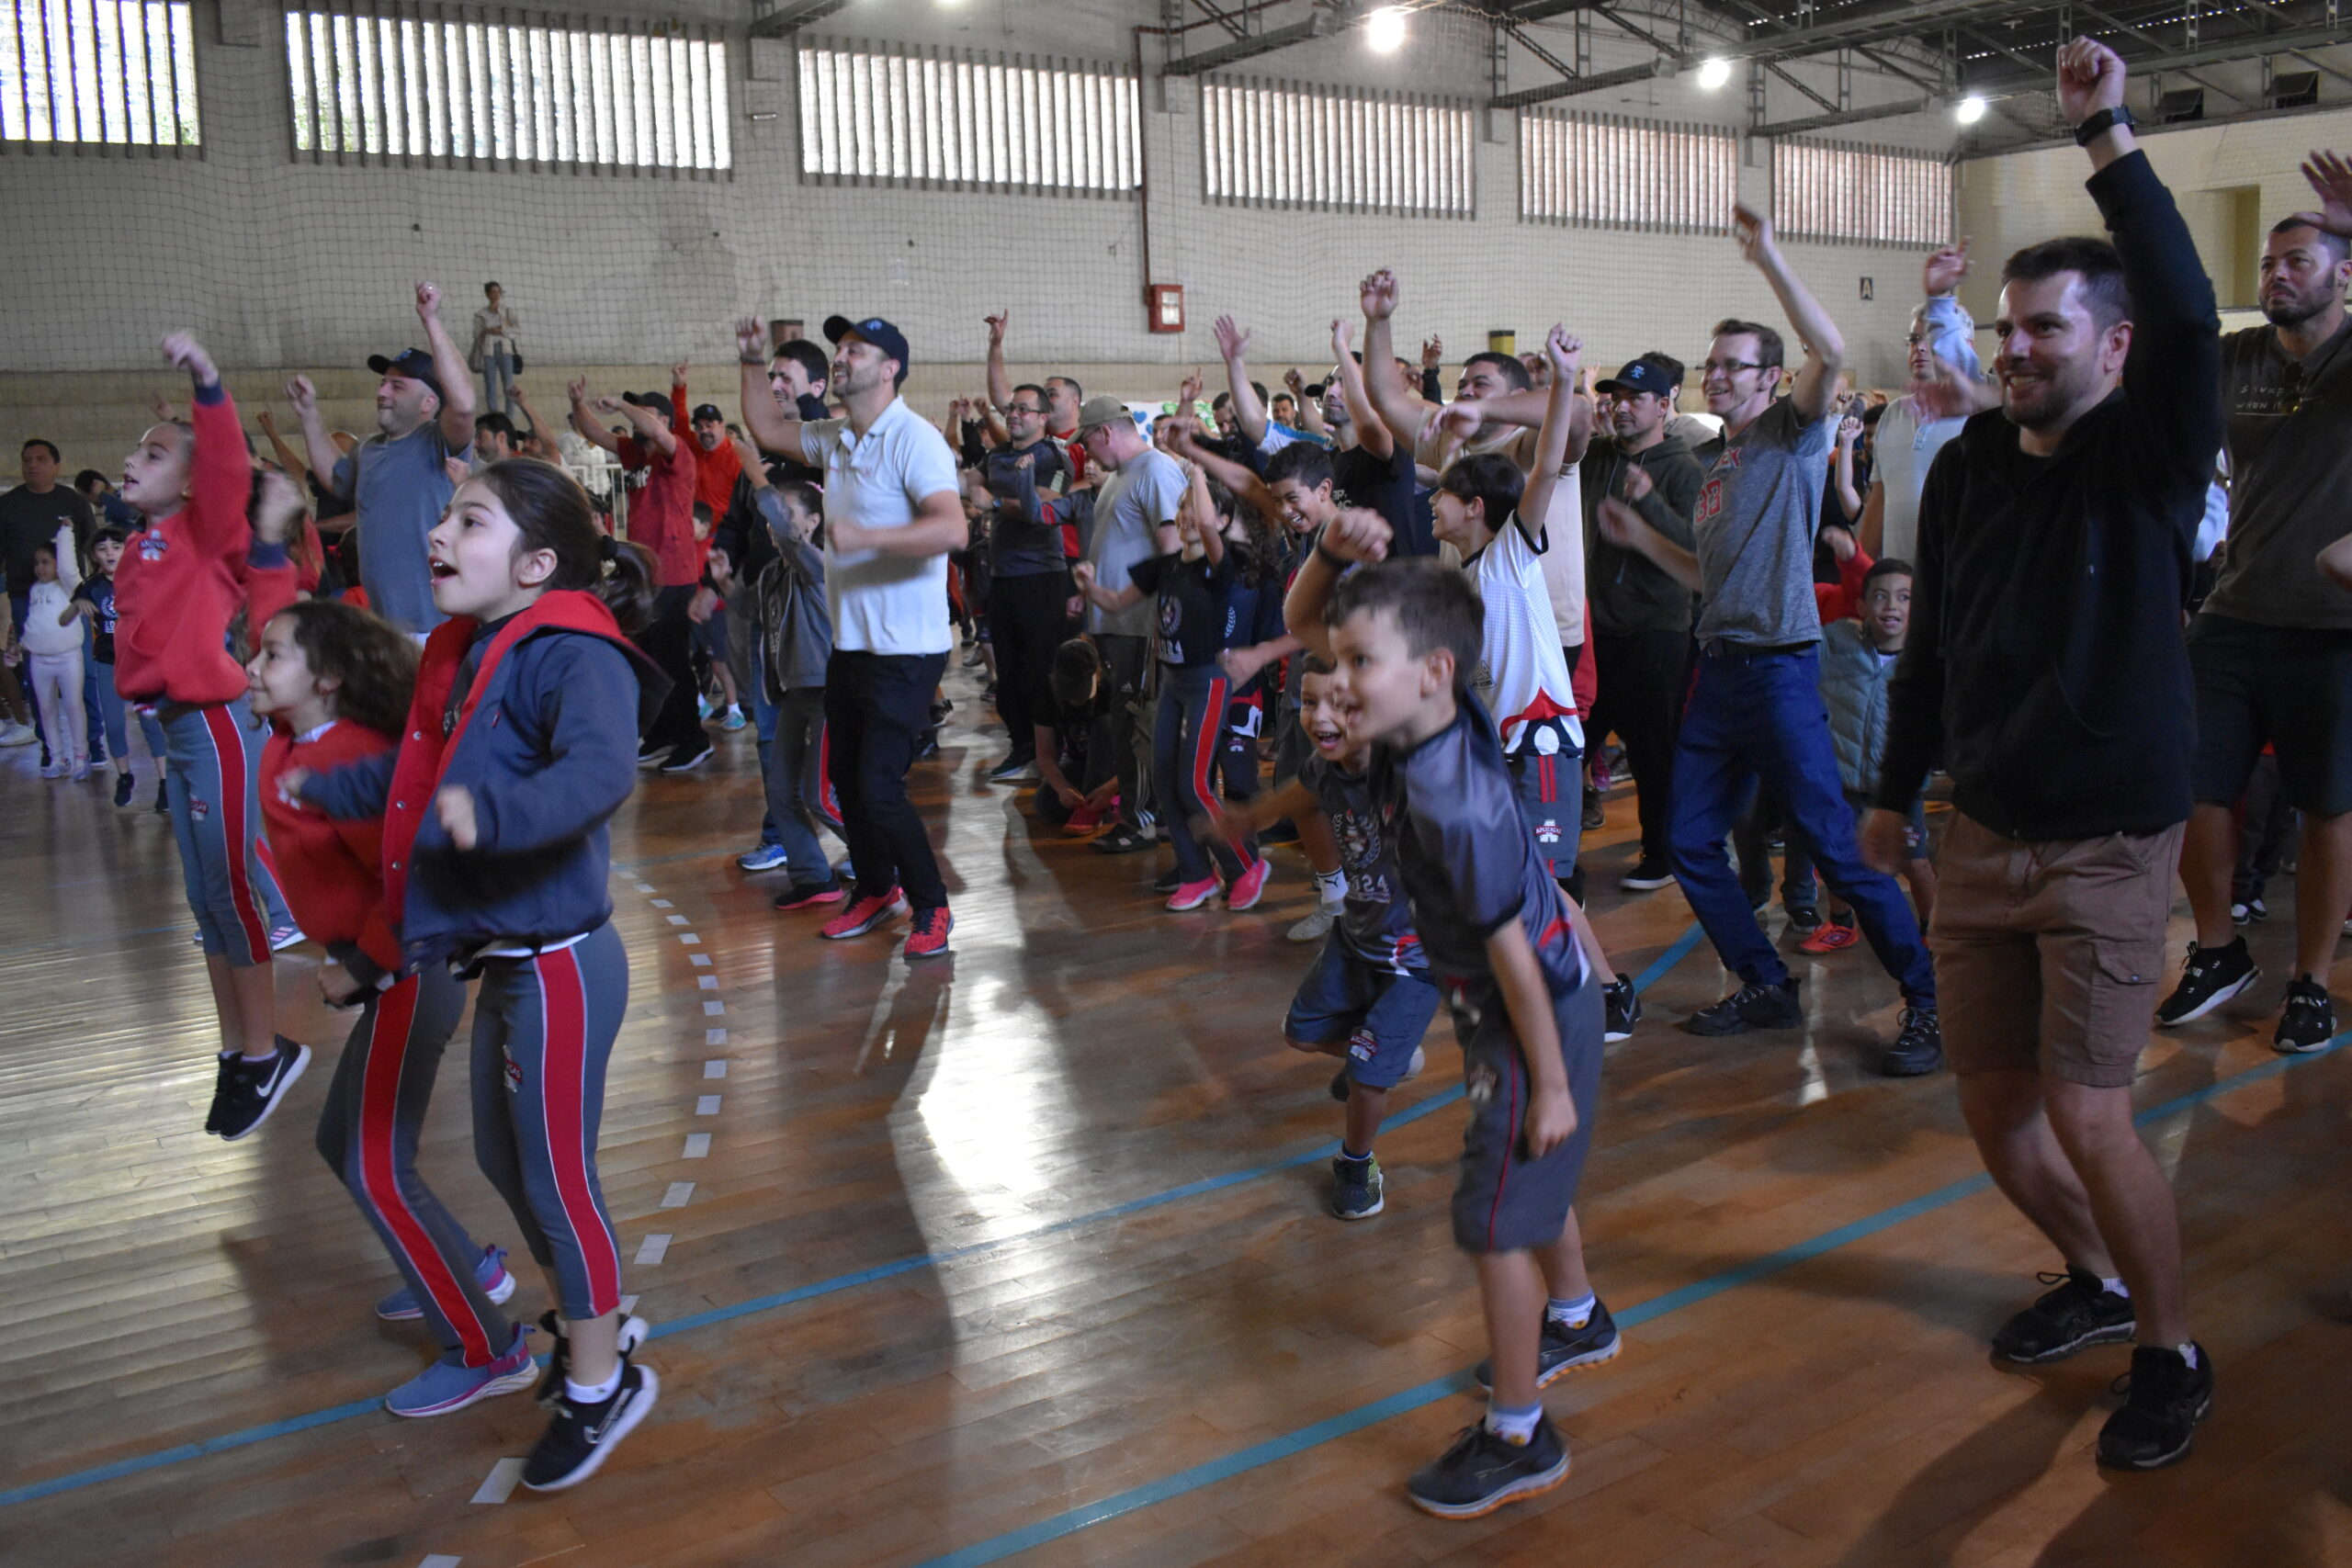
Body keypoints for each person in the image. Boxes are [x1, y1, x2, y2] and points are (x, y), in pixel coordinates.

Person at [1865, 39, 2220, 1472]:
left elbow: (2193, 314)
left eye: (2045, 331)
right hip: (1980, 832)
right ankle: (2102, 1279)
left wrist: (2109, 136)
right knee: (1999, 1113)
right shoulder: (1960, 469)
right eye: (2005, 330)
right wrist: (1894, 795)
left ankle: (2171, 1348)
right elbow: (1931, 649)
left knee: (2087, 1107)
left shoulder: (2145, 452)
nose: (2013, 350)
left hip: (2106, 845)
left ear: (2111, 347)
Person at [288, 458, 664, 1491]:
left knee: (553, 1182)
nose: (437, 536)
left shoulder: (574, 653)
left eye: (470, 520)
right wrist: (331, 785)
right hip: (505, 967)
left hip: (561, 971)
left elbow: (598, 774)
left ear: (538, 562)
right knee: (509, 1170)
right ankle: (594, 1337)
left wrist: (495, 817)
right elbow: (421, 781)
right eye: (446, 517)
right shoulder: (472, 648)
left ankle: (601, 1385)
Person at [1305, 551, 1616, 1519]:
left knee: (1490, 1222)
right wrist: (1327, 552)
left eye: (1361, 665)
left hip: (1529, 1014)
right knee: (1528, 1183)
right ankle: (1577, 1316)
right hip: (1515, 1009)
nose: (1340, 686)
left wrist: (1554, 1084)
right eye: (1339, 665)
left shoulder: (1452, 801)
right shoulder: (1433, 722)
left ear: (1430, 671)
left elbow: (1513, 951)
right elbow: (1313, 616)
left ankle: (1519, 1434)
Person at [1594, 206, 1939, 1073]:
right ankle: (1762, 981)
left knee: (1834, 844)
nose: (1713, 375)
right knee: (1690, 841)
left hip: (1782, 675)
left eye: (1729, 365)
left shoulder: (1795, 433)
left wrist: (1772, 258)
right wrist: (1643, 540)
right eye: (1709, 364)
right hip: (1717, 674)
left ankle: (1928, 999)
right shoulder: (1720, 468)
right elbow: (1709, 575)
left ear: (1770, 379)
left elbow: (1827, 348)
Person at [243, 548, 535, 1417]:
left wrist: (357, 964)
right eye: (257, 652)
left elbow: (418, 881)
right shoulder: (301, 736)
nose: (253, 666)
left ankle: (488, 1347)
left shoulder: (347, 759)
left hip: (412, 970)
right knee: (348, 1146)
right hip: (392, 974)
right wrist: (264, 545)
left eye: (271, 657)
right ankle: (465, 1264)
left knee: (372, 1165)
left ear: (325, 679)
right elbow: (281, 614)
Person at [2157, 152, 2352, 1054]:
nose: (2276, 275)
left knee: (2325, 809)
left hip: (2331, 623)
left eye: (2297, 261)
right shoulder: (2237, 359)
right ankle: (2217, 948)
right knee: (2188, 782)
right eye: (2268, 264)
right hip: (2235, 611)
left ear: (2341, 272)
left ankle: (2310, 980)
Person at [118, 333, 307, 1140]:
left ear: (193, 482)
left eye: (155, 452)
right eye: (137, 448)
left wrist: (206, 382)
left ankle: (267, 1051)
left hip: (220, 727)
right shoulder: (138, 545)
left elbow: (227, 469)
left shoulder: (204, 533)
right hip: (177, 730)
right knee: (204, 902)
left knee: (233, 891)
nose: (135, 457)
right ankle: (237, 1049)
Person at [734, 312, 967, 959]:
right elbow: (769, 427)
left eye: (854, 351)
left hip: (907, 650)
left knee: (878, 787)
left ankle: (932, 906)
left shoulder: (914, 439)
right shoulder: (839, 437)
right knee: (842, 777)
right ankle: (873, 888)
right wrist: (753, 360)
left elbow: (953, 530)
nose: (841, 359)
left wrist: (866, 538)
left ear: (889, 367)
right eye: (838, 349)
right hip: (853, 645)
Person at [1213, 656, 1438, 1219]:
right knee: (1301, 1032)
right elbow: (1293, 795)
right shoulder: (1323, 767)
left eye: (1337, 702)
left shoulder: (1404, 769)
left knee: (1365, 1072)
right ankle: (1391, 1059)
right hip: (1355, 937)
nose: (1319, 716)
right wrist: (1246, 818)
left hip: (1415, 957)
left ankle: (1356, 1164)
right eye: (1308, 703)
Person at [1077, 465, 1273, 913]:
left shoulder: (1221, 568)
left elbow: (1206, 523)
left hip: (1209, 683)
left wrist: (1198, 472)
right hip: (1173, 682)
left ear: (1220, 522)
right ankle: (1196, 874)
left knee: (1194, 785)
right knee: (1166, 784)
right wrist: (1090, 588)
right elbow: (1115, 602)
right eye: (1180, 507)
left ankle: (1245, 867)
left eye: (1192, 507)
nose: (1184, 515)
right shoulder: (1165, 566)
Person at [1580, 355, 1705, 893]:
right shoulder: (1598, 457)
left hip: (1656, 630)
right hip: (1593, 628)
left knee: (1654, 753)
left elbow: (1698, 547)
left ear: (1663, 404)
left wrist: (1649, 503)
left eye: (1636, 398)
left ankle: (1662, 853)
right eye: (1616, 397)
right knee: (1568, 743)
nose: (1623, 407)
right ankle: (1552, 845)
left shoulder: (1684, 468)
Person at [291, 282, 478, 637]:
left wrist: (430, 320)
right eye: (383, 383)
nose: (381, 393)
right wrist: (309, 414)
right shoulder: (369, 449)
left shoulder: (438, 442)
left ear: (428, 404)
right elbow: (335, 478)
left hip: (434, 628)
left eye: (397, 386)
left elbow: (465, 404)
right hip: (383, 627)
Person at [1800, 558, 1936, 991]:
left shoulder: (1927, 660)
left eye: (1904, 597)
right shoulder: (1836, 641)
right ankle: (1841, 923)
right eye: (1879, 596)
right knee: (1843, 857)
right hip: (1843, 779)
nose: (1890, 606)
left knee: (1914, 862)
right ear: (1861, 604)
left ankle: (1933, 928)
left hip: (1898, 789)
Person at [722, 439, 843, 910]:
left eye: (787, 512)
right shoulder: (774, 571)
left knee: (818, 795)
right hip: (792, 694)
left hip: (828, 692)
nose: (776, 524)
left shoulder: (820, 566)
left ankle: (883, 864)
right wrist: (724, 583)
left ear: (813, 522)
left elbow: (788, 537)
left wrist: (757, 476)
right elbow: (750, 609)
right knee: (781, 789)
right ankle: (814, 878)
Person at [1064, 395, 1186, 855]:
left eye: (1088, 443)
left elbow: (1172, 553)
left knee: (1136, 725)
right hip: (1116, 621)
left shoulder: (1155, 471)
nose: (1087, 455)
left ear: (1105, 433)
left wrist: (1158, 619)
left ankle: (1142, 819)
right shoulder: (1120, 476)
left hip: (1140, 623)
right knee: (1122, 721)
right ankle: (1138, 813)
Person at [568, 375, 706, 772]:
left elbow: (657, 432)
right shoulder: (637, 454)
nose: (635, 421)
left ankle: (693, 739)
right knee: (649, 658)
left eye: (645, 412)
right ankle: (662, 732)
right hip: (647, 572)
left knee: (673, 661)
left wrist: (624, 406)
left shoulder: (676, 453)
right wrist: (578, 402)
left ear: (660, 418)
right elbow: (593, 431)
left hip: (674, 575)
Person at [971, 382, 1072, 784]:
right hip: (1003, 576)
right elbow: (968, 481)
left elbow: (1045, 507)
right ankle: (1022, 747)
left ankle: (1055, 749)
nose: (1013, 414)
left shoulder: (1055, 457)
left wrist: (995, 502)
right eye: (1011, 408)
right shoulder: (997, 455)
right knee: (1009, 672)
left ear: (1044, 418)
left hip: (1041, 576)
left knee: (1040, 669)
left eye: (1023, 409)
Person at [1860, 244, 1985, 561]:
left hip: (1958, 584)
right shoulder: (1892, 414)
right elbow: (1880, 500)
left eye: (1931, 339)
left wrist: (1941, 296)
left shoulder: (1983, 415)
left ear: (1967, 346)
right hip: (1900, 591)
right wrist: (1859, 573)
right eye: (1914, 340)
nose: (1920, 348)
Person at [3, 437, 96, 756]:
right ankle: (50, 748)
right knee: (36, 678)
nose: (33, 465)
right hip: (26, 601)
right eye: (27, 459)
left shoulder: (73, 502)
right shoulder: (8, 505)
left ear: (56, 465)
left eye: (41, 459)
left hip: (69, 599)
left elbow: (92, 545)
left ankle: (92, 746)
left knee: (83, 674)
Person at [64, 527, 134, 803]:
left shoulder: (141, 580)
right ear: (94, 555)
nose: (110, 553)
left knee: (153, 725)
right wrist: (76, 604)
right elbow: (64, 620)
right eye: (103, 548)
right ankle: (124, 775)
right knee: (114, 725)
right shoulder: (91, 587)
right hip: (108, 662)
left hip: (141, 660)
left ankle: (164, 782)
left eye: (116, 547)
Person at [18, 541, 86, 779]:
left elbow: (69, 568)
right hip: (39, 660)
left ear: (59, 565)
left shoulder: (68, 587)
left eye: (46, 562)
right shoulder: (36, 589)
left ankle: (80, 757)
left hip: (68, 657)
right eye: (37, 563)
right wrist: (22, 645)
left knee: (73, 706)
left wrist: (65, 533)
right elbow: (35, 623)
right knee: (46, 709)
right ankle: (57, 757)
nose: (40, 568)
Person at [470, 281, 520, 416]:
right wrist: (487, 331)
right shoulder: (480, 314)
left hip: (505, 350)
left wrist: (502, 329)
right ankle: (494, 416)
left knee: (509, 385)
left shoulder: (508, 311)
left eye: (498, 292)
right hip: (488, 351)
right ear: (487, 294)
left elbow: (516, 329)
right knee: (490, 385)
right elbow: (476, 334)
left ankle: (509, 417)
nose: (496, 295)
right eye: (493, 292)